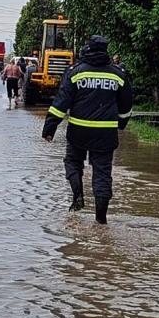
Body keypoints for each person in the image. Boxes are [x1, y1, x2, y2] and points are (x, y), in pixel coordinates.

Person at [42, 36, 133, 224]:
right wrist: (122, 124)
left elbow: (61, 103)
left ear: (88, 49)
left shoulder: (75, 72)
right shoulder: (118, 74)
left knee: (73, 162)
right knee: (102, 173)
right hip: (105, 134)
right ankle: (101, 219)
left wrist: (49, 128)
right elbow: (126, 106)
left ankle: (78, 197)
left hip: (78, 131)